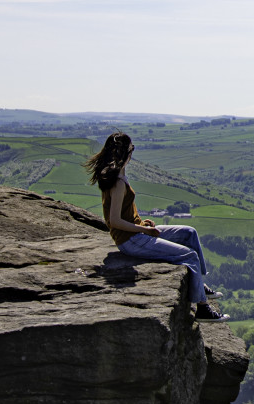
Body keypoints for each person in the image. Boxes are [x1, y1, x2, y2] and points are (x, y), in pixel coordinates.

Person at [84, 131, 226, 320]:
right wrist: (144, 230)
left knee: (189, 233)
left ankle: (199, 282)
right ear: (126, 153)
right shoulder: (117, 182)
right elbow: (114, 220)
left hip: (135, 234)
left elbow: (126, 213)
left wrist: (142, 223)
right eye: (131, 149)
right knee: (189, 255)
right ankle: (202, 308)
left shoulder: (118, 175)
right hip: (130, 241)